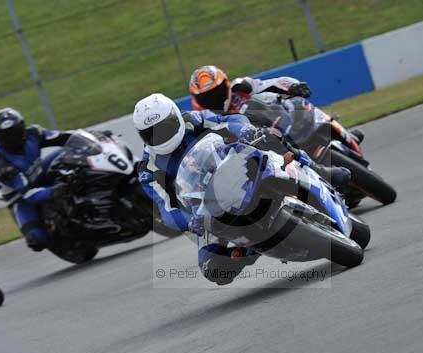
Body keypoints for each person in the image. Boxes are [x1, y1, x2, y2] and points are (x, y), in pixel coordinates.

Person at [133, 93, 350, 285]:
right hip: (206, 208)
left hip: (239, 165)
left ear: (176, 117)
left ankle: (320, 170)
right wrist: (189, 221)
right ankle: (246, 251)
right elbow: (166, 209)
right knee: (213, 269)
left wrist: (245, 130)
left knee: (272, 139)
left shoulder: (193, 119)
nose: (159, 136)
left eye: (164, 127)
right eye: (151, 133)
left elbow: (228, 120)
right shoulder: (148, 170)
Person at [0, 108, 71, 251]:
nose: (12, 138)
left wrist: (91, 138)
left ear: (22, 127)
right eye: (7, 136)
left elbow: (64, 137)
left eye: (15, 132)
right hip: (22, 200)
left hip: (39, 174)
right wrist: (54, 192)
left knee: (70, 154)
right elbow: (26, 194)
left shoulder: (33, 133)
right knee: (37, 241)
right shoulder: (3, 166)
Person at [189, 65, 311, 114]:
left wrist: (293, 86)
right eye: (208, 97)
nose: (215, 98)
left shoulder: (240, 87)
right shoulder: (200, 122)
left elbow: (271, 83)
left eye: (217, 92)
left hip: (278, 130)